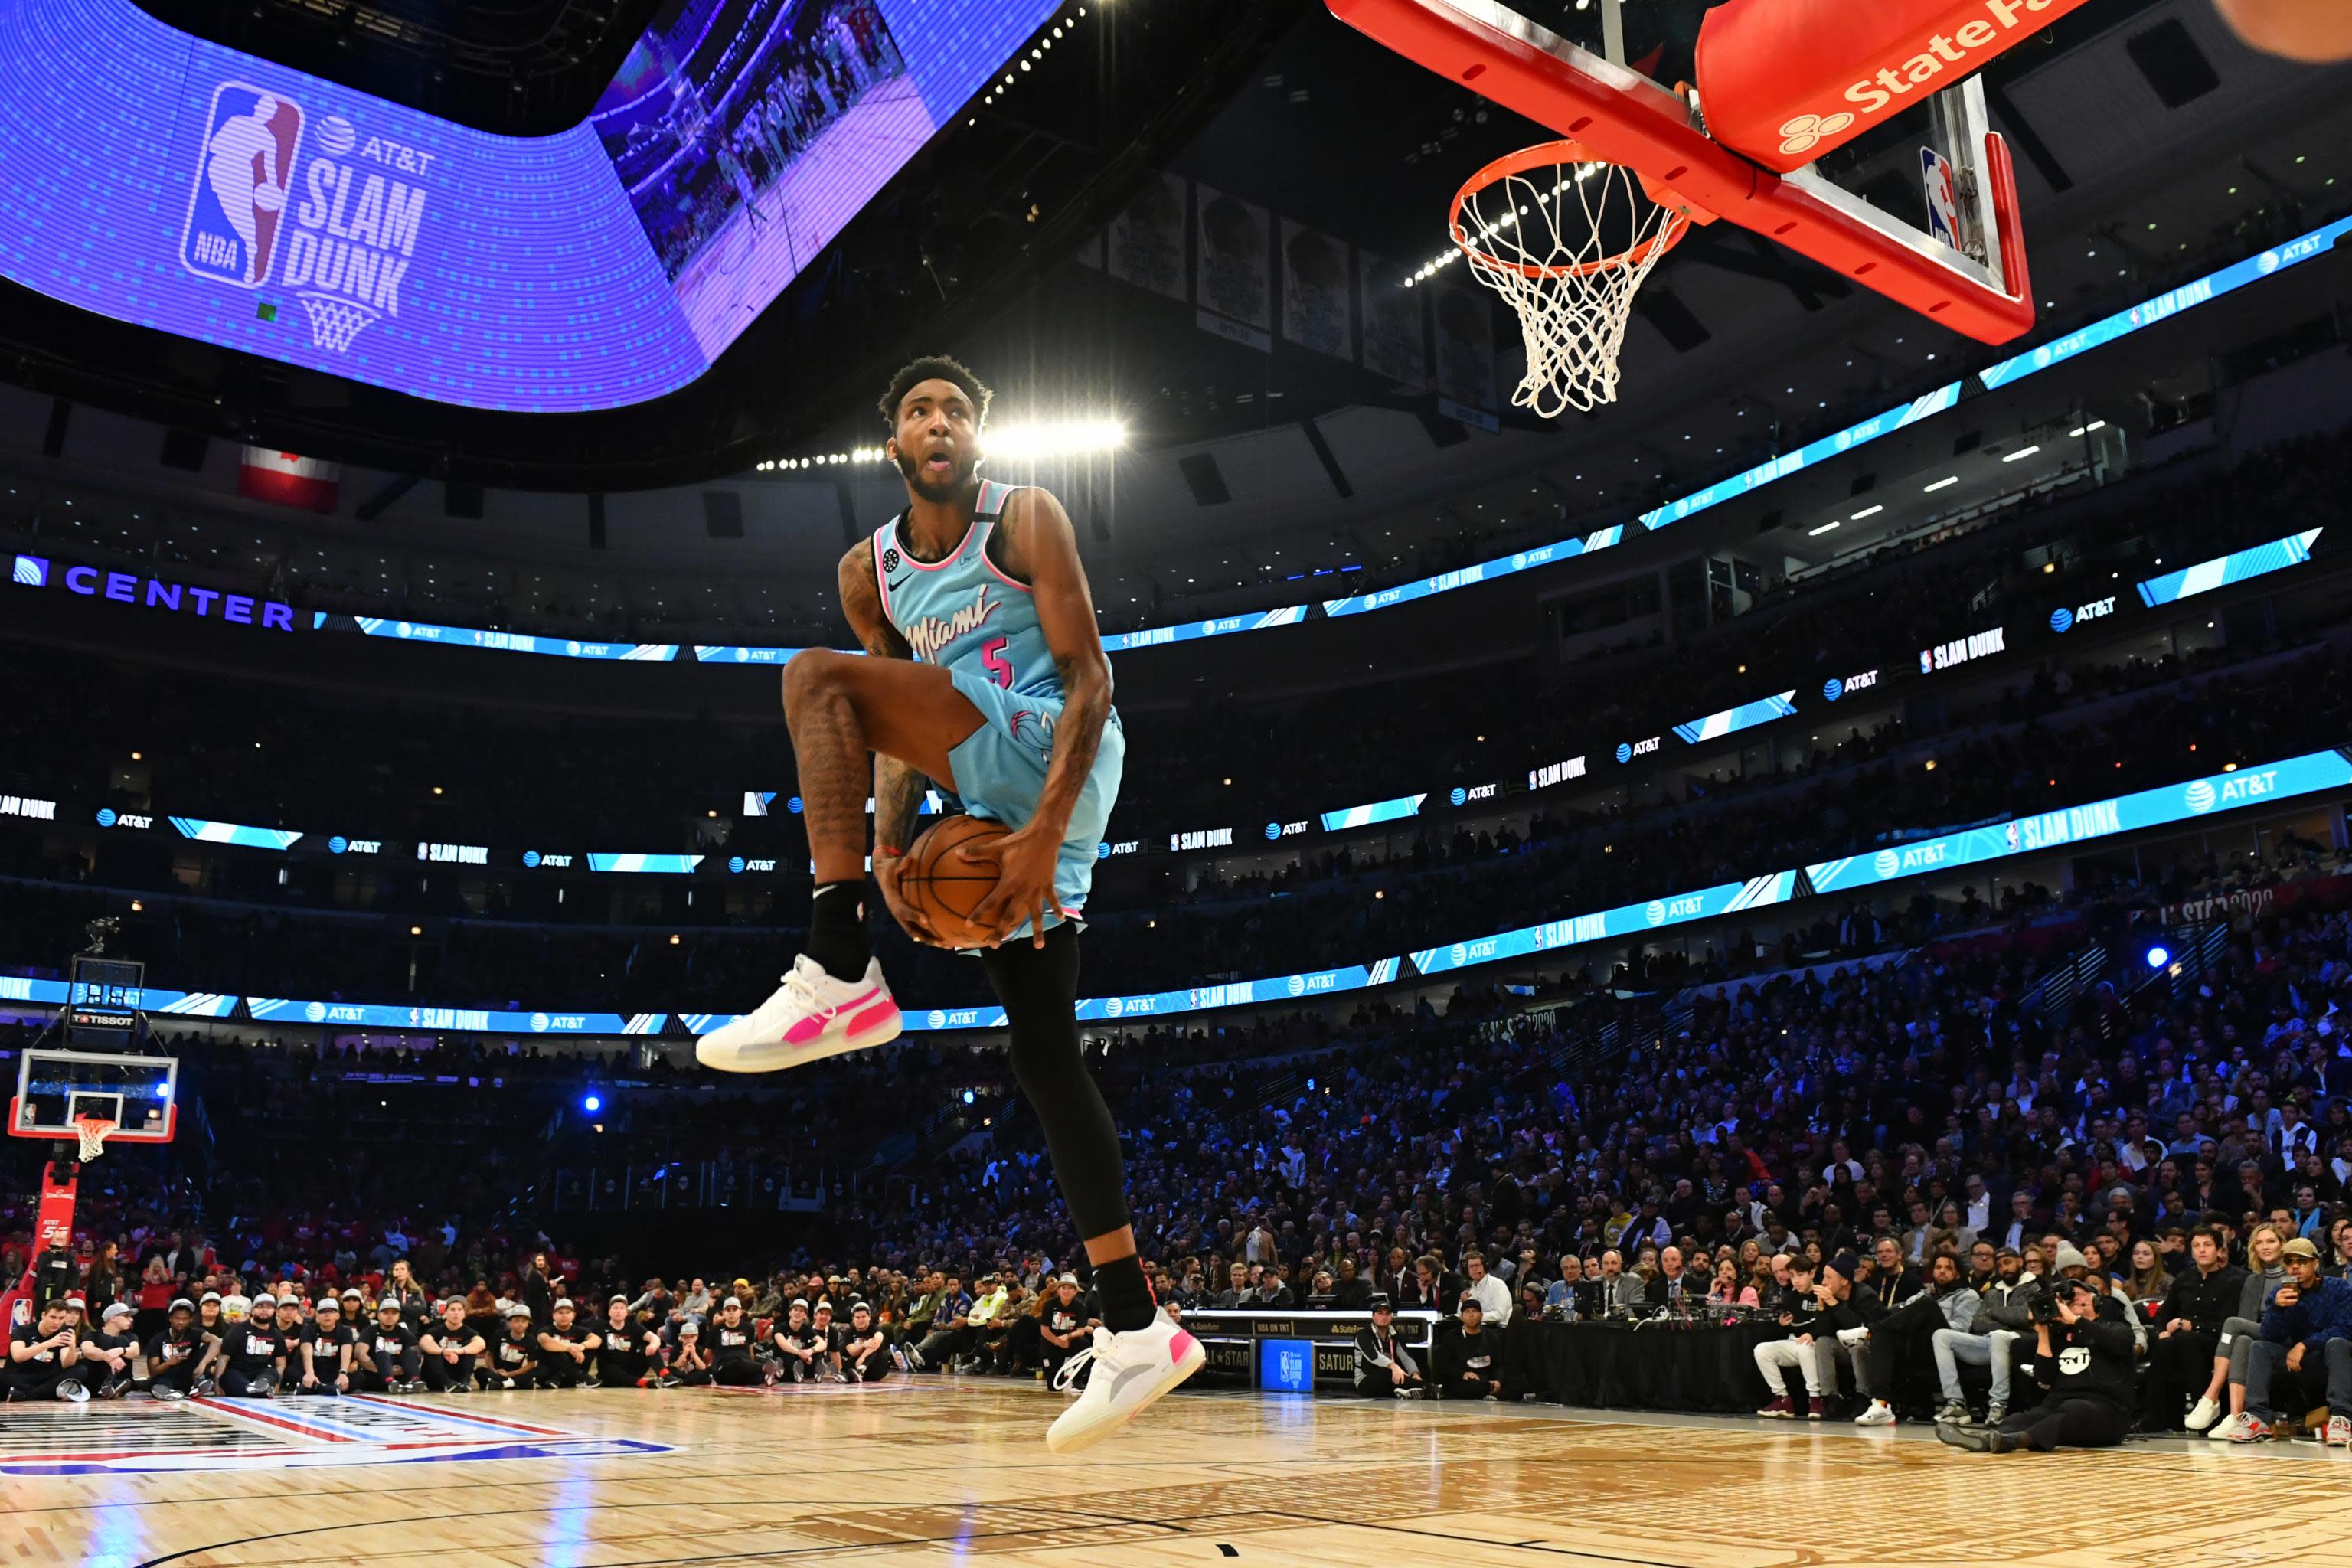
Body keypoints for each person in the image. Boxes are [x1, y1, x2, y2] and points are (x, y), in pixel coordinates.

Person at [694, 356, 1197, 1452]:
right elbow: (890, 724)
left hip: (1058, 751)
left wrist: (1050, 830)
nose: (940, 423)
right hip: (983, 783)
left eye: (958, 411)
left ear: (978, 437)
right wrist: (883, 846)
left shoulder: (1025, 519)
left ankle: (836, 969)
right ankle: (1136, 1327)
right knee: (1043, 1056)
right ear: (893, 444)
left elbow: (1093, 679)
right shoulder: (867, 572)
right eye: (920, 410)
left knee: (809, 680)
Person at [1936, 1279, 2137, 1452]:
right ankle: (1988, 1438)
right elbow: (2044, 1377)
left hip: (2109, 1412)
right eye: (2068, 1300)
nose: (2072, 1300)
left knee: (2073, 1409)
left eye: (2079, 1295)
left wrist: (2075, 1321)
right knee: (2021, 1419)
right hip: (2060, 1404)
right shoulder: (2060, 1335)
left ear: (2094, 1301)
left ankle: (2015, 1441)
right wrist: (2043, 1333)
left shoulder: (2117, 1328)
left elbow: (2120, 1345)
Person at [2236, 1236, 2352, 1445]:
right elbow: (2270, 1335)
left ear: (2315, 1264)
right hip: (2296, 1359)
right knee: (2259, 1347)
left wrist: (2304, 1345)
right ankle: (2257, 1418)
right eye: (2290, 1262)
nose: (2295, 1267)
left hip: (2328, 1356)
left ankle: (2341, 1418)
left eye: (2302, 1261)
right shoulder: (2280, 1292)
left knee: (2338, 1343)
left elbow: (2345, 1327)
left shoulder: (2339, 1288)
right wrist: (2278, 1309)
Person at [1854, 1252, 1978, 1426]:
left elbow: (1962, 1328)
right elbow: (1899, 1310)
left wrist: (1929, 1317)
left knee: (1927, 1306)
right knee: (1884, 1332)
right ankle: (1881, 1404)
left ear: (1958, 1273)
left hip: (1945, 1346)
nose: (1942, 1271)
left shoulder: (1967, 1295)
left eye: (1948, 1268)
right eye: (1938, 1267)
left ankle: (1866, 1332)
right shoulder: (1924, 1293)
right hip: (1917, 1347)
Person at [2142, 1225, 2244, 1432]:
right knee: (2164, 1345)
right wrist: (2162, 1331)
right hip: (2182, 1342)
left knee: (2186, 1339)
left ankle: (2206, 1407)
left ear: (2220, 1251)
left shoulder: (2233, 1281)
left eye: (2207, 1245)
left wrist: (2191, 1325)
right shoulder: (2184, 1279)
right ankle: (2156, 1417)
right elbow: (2163, 1316)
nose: (2202, 1250)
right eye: (2196, 1246)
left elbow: (2228, 1325)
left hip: (2216, 1344)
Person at [8, 1298, 87, 1403]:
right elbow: (18, 1356)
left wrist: (72, 1347)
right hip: (20, 1376)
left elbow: (67, 1364)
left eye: (61, 1318)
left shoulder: (63, 1333)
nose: (57, 1322)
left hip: (45, 1378)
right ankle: (45, 1394)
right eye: (53, 1317)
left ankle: (26, 1396)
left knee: (80, 1370)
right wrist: (49, 1343)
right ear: (43, 1315)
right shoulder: (22, 1330)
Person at [142, 1298, 217, 1402]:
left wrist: (203, 1364)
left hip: (189, 1375)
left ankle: (199, 1383)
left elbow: (216, 1341)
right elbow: (153, 1371)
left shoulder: (196, 1333)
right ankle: (164, 1391)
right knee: (159, 1381)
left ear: (191, 1320)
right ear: (170, 1319)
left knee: (208, 1346)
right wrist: (168, 1363)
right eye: (177, 1318)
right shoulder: (158, 1339)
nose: (181, 1322)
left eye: (185, 1319)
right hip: (167, 1376)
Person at [214, 1295, 285, 1398]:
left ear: (275, 1311)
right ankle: (258, 1390)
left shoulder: (277, 1335)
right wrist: (217, 1383)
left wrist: (278, 1384)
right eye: (260, 1307)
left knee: (271, 1372)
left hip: (262, 1372)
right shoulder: (237, 1330)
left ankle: (261, 1386)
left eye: (269, 1307)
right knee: (228, 1378)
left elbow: (281, 1364)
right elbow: (223, 1358)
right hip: (238, 1372)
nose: (264, 1310)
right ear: (252, 1310)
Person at [1352, 1298, 1423, 1397]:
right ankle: (1423, 1389)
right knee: (1387, 1373)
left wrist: (1415, 1373)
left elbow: (1406, 1356)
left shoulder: (1394, 1335)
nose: (1384, 1317)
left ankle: (1411, 1390)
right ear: (1373, 1316)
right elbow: (1373, 1356)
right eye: (1380, 1313)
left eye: (1387, 1314)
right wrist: (1394, 1366)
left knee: (1418, 1367)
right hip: (1365, 1381)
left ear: (1391, 1317)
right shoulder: (1363, 1335)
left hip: (1388, 1379)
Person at [1432, 1298, 1503, 1399]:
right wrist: (1463, 1374)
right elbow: (1444, 1367)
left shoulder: (1491, 1337)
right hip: (1461, 1381)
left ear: (1481, 1315)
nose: (1471, 1315)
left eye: (1474, 1311)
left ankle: (1489, 1389)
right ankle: (1487, 1390)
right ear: (1461, 1317)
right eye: (1467, 1312)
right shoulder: (1451, 1337)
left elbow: (1498, 1364)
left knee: (1514, 1385)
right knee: (1472, 1386)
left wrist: (1498, 1381)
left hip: (1485, 1379)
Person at [1037, 1276, 1095, 1391]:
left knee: (1084, 1344)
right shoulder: (1049, 1305)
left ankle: (1078, 1378)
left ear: (1075, 1292)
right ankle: (1055, 1375)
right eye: (1063, 1287)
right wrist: (1057, 1341)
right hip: (1052, 1342)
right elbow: (1044, 1330)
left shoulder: (1080, 1307)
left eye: (1070, 1288)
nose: (1066, 1291)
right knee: (1054, 1387)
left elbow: (1081, 1331)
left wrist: (1068, 1337)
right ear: (1058, 1290)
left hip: (1071, 1341)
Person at [354, 1296, 420, 1393]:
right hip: (376, 1377)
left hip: (400, 1377)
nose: (390, 1316)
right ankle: (390, 1381)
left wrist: (404, 1369)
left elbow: (416, 1353)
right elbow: (360, 1354)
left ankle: (415, 1381)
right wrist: (384, 1371)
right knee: (382, 1353)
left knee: (411, 1352)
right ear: (379, 1315)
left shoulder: (404, 1332)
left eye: (394, 1313)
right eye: (385, 1312)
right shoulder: (369, 1331)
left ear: (399, 1316)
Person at [419, 1300, 485, 1393]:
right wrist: (443, 1352)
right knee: (432, 1349)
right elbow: (424, 1341)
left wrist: (458, 1351)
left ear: (464, 1313)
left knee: (470, 1349)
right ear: (446, 1312)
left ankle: (465, 1383)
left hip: (456, 1376)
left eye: (460, 1310)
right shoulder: (436, 1329)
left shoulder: (469, 1332)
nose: (456, 1313)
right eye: (452, 1310)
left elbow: (481, 1343)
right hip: (436, 1378)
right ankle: (447, 1383)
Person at [78, 1302, 140, 1399]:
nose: (131, 1319)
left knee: (121, 1341)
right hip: (96, 1379)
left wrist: (120, 1350)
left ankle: (112, 1385)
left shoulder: (130, 1336)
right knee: (106, 1340)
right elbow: (88, 1350)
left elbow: (135, 1351)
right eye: (126, 1316)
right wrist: (110, 1358)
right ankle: (109, 1385)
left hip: (121, 1376)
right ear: (113, 1318)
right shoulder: (92, 1334)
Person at [535, 1298, 598, 1389]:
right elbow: (544, 1340)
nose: (564, 1315)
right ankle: (581, 1377)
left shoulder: (581, 1330)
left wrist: (581, 1346)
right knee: (553, 1347)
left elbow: (597, 1340)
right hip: (548, 1376)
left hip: (567, 1378)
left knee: (590, 1346)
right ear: (554, 1316)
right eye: (560, 1312)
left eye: (568, 1312)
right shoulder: (545, 1330)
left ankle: (560, 1375)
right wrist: (569, 1348)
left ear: (573, 1315)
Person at [297, 1295, 353, 1396]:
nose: (327, 1315)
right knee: (291, 1371)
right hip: (315, 1370)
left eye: (332, 1311)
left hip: (335, 1371)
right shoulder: (308, 1330)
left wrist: (343, 1373)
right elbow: (307, 1353)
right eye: (323, 1312)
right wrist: (310, 1373)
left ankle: (315, 1389)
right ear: (317, 1316)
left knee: (359, 1376)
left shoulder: (345, 1331)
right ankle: (330, 1390)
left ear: (338, 1315)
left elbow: (346, 1353)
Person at [704, 1297, 765, 1387]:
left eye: (735, 1309)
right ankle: (765, 1367)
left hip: (744, 1368)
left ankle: (765, 1373)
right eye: (728, 1310)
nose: (731, 1313)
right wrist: (708, 1371)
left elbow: (750, 1351)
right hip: (723, 1368)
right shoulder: (715, 1330)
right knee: (739, 1362)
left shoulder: (749, 1328)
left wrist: (752, 1366)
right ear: (723, 1313)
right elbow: (707, 1354)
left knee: (757, 1378)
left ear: (740, 1312)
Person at [485, 1306, 539, 1390]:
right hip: (498, 1372)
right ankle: (511, 1383)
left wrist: (511, 1374)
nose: (520, 1324)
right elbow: (489, 1355)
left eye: (524, 1321)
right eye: (517, 1321)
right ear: (510, 1322)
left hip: (515, 1373)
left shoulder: (531, 1340)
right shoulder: (500, 1335)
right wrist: (494, 1370)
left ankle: (506, 1383)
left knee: (531, 1377)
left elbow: (531, 1364)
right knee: (480, 1372)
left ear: (528, 1323)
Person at [841, 1303, 892, 1383]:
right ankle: (846, 1373)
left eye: (864, 1317)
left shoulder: (875, 1328)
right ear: (853, 1319)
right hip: (856, 1365)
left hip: (876, 1367)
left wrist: (863, 1357)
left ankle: (860, 1371)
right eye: (857, 1317)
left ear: (869, 1317)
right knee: (841, 1348)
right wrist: (864, 1344)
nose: (861, 1320)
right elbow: (852, 1352)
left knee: (873, 1348)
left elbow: (876, 1342)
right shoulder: (849, 1332)